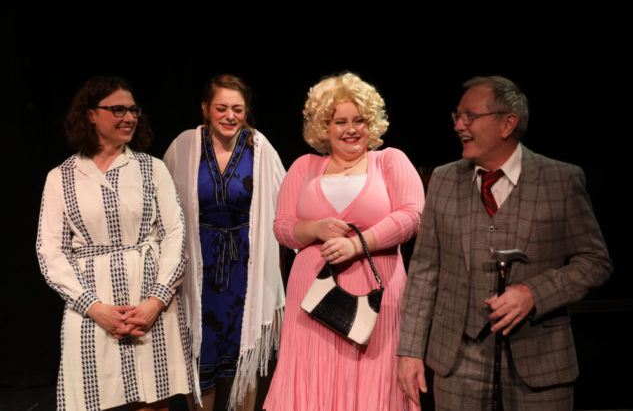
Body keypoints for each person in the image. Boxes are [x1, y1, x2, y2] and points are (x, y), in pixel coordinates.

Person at [396, 75, 613, 410]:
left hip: (540, 363)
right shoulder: (443, 179)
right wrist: (410, 352)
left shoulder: (561, 180)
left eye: (470, 116)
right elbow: (425, 270)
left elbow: (594, 261)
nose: (459, 125)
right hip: (458, 362)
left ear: (507, 123)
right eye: (457, 116)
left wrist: (533, 293)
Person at [263, 72, 425, 411]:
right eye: (340, 121)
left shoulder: (389, 161)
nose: (351, 129)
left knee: (373, 382)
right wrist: (316, 227)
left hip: (376, 294)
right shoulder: (304, 167)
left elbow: (413, 215)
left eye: (359, 120)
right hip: (312, 297)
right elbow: (282, 226)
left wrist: (358, 243)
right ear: (324, 127)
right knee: (311, 382)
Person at [36, 76, 194, 410]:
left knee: (153, 402)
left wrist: (156, 301)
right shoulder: (61, 177)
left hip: (149, 304)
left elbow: (175, 235)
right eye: (117, 110)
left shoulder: (152, 169)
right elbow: (51, 251)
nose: (129, 118)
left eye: (133, 110)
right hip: (92, 307)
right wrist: (94, 307)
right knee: (97, 400)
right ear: (91, 114)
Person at [163, 74, 286, 411]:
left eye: (238, 109)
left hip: (245, 270)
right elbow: (164, 209)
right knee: (200, 361)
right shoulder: (184, 146)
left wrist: (276, 288)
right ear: (205, 109)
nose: (230, 116)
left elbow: (282, 214)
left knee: (244, 361)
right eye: (221, 108)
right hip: (199, 271)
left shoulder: (259, 147)